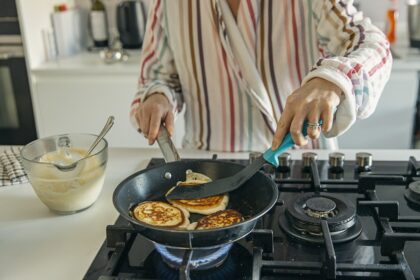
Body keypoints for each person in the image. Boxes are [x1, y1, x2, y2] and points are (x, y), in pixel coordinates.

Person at [130, 0, 392, 152]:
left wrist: (332, 79)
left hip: (302, 162)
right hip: (207, 166)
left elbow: (372, 44)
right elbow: (157, 75)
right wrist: (157, 97)